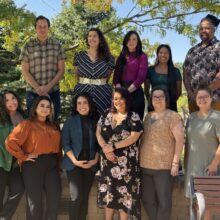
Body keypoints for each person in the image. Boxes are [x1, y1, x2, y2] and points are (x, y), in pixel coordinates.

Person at [5, 96, 61, 220]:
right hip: (33, 164)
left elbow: (58, 148)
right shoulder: (27, 124)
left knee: (54, 199)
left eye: (48, 107)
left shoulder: (54, 126)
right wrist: (22, 156)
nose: (45, 109)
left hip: (51, 165)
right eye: (42, 105)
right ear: (35, 107)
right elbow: (10, 142)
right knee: (34, 203)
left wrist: (59, 165)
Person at [96, 87, 143, 220]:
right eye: (115, 98)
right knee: (109, 196)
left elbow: (134, 136)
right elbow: (98, 132)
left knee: (124, 199)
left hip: (126, 165)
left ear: (127, 100)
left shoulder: (133, 116)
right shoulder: (106, 114)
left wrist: (113, 146)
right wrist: (106, 148)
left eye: (121, 98)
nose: (118, 101)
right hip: (107, 163)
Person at [140, 87, 184, 220]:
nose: (158, 99)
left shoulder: (173, 116)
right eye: (155, 97)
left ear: (166, 99)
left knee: (164, 203)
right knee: (147, 200)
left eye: (161, 97)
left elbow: (180, 140)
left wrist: (175, 163)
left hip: (163, 167)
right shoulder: (148, 116)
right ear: (151, 99)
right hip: (145, 165)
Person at [20, 15, 66, 120]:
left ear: (48, 28)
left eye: (45, 26)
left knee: (53, 121)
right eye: (39, 26)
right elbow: (25, 70)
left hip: (53, 92)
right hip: (33, 92)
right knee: (33, 123)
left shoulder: (57, 45)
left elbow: (61, 70)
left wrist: (47, 87)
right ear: (35, 28)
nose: (42, 29)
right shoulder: (27, 46)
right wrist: (38, 88)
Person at [62, 92, 99, 220]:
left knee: (84, 198)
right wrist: (75, 161)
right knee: (76, 197)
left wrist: (95, 160)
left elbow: (100, 145)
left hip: (91, 165)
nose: (82, 106)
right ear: (76, 106)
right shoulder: (70, 122)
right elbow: (65, 144)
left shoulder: (96, 122)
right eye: (79, 103)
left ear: (89, 105)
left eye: (85, 102)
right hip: (73, 165)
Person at [184, 86, 220, 220]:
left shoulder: (217, 117)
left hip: (208, 167)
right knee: (195, 205)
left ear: (211, 98)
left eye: (205, 96)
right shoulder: (191, 117)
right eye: (200, 97)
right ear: (196, 99)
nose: (202, 99)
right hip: (193, 167)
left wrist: (214, 164)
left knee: (206, 206)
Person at [72, 28, 115, 116]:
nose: (92, 38)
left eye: (95, 36)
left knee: (101, 120)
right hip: (82, 91)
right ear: (87, 39)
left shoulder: (109, 58)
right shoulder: (79, 56)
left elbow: (107, 77)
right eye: (90, 36)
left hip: (102, 93)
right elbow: (76, 75)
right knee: (82, 118)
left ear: (100, 39)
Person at [183, 14, 220, 113]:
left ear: (214, 29)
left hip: (214, 100)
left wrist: (206, 92)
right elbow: (186, 74)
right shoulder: (192, 50)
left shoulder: (218, 47)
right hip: (194, 101)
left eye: (207, 28)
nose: (203, 30)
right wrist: (190, 93)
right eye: (201, 28)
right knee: (195, 128)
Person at [0, 91, 25, 220]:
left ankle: (4, 217)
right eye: (7, 100)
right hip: (1, 162)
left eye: (13, 98)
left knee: (18, 189)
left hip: (15, 165)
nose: (11, 102)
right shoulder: (1, 118)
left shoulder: (24, 117)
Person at [113, 30, 148, 120]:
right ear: (125, 42)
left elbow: (141, 78)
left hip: (135, 93)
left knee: (135, 126)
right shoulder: (121, 57)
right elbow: (116, 78)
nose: (131, 42)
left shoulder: (142, 56)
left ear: (138, 42)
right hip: (120, 93)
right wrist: (120, 93)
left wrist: (126, 93)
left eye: (134, 39)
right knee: (119, 124)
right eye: (129, 39)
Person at [144, 44, 182, 112]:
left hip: (171, 107)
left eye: (166, 53)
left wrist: (168, 102)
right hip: (154, 106)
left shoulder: (176, 71)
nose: (163, 55)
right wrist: (153, 102)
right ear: (157, 54)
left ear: (169, 55)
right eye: (161, 53)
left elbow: (179, 92)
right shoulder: (150, 70)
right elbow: (146, 91)